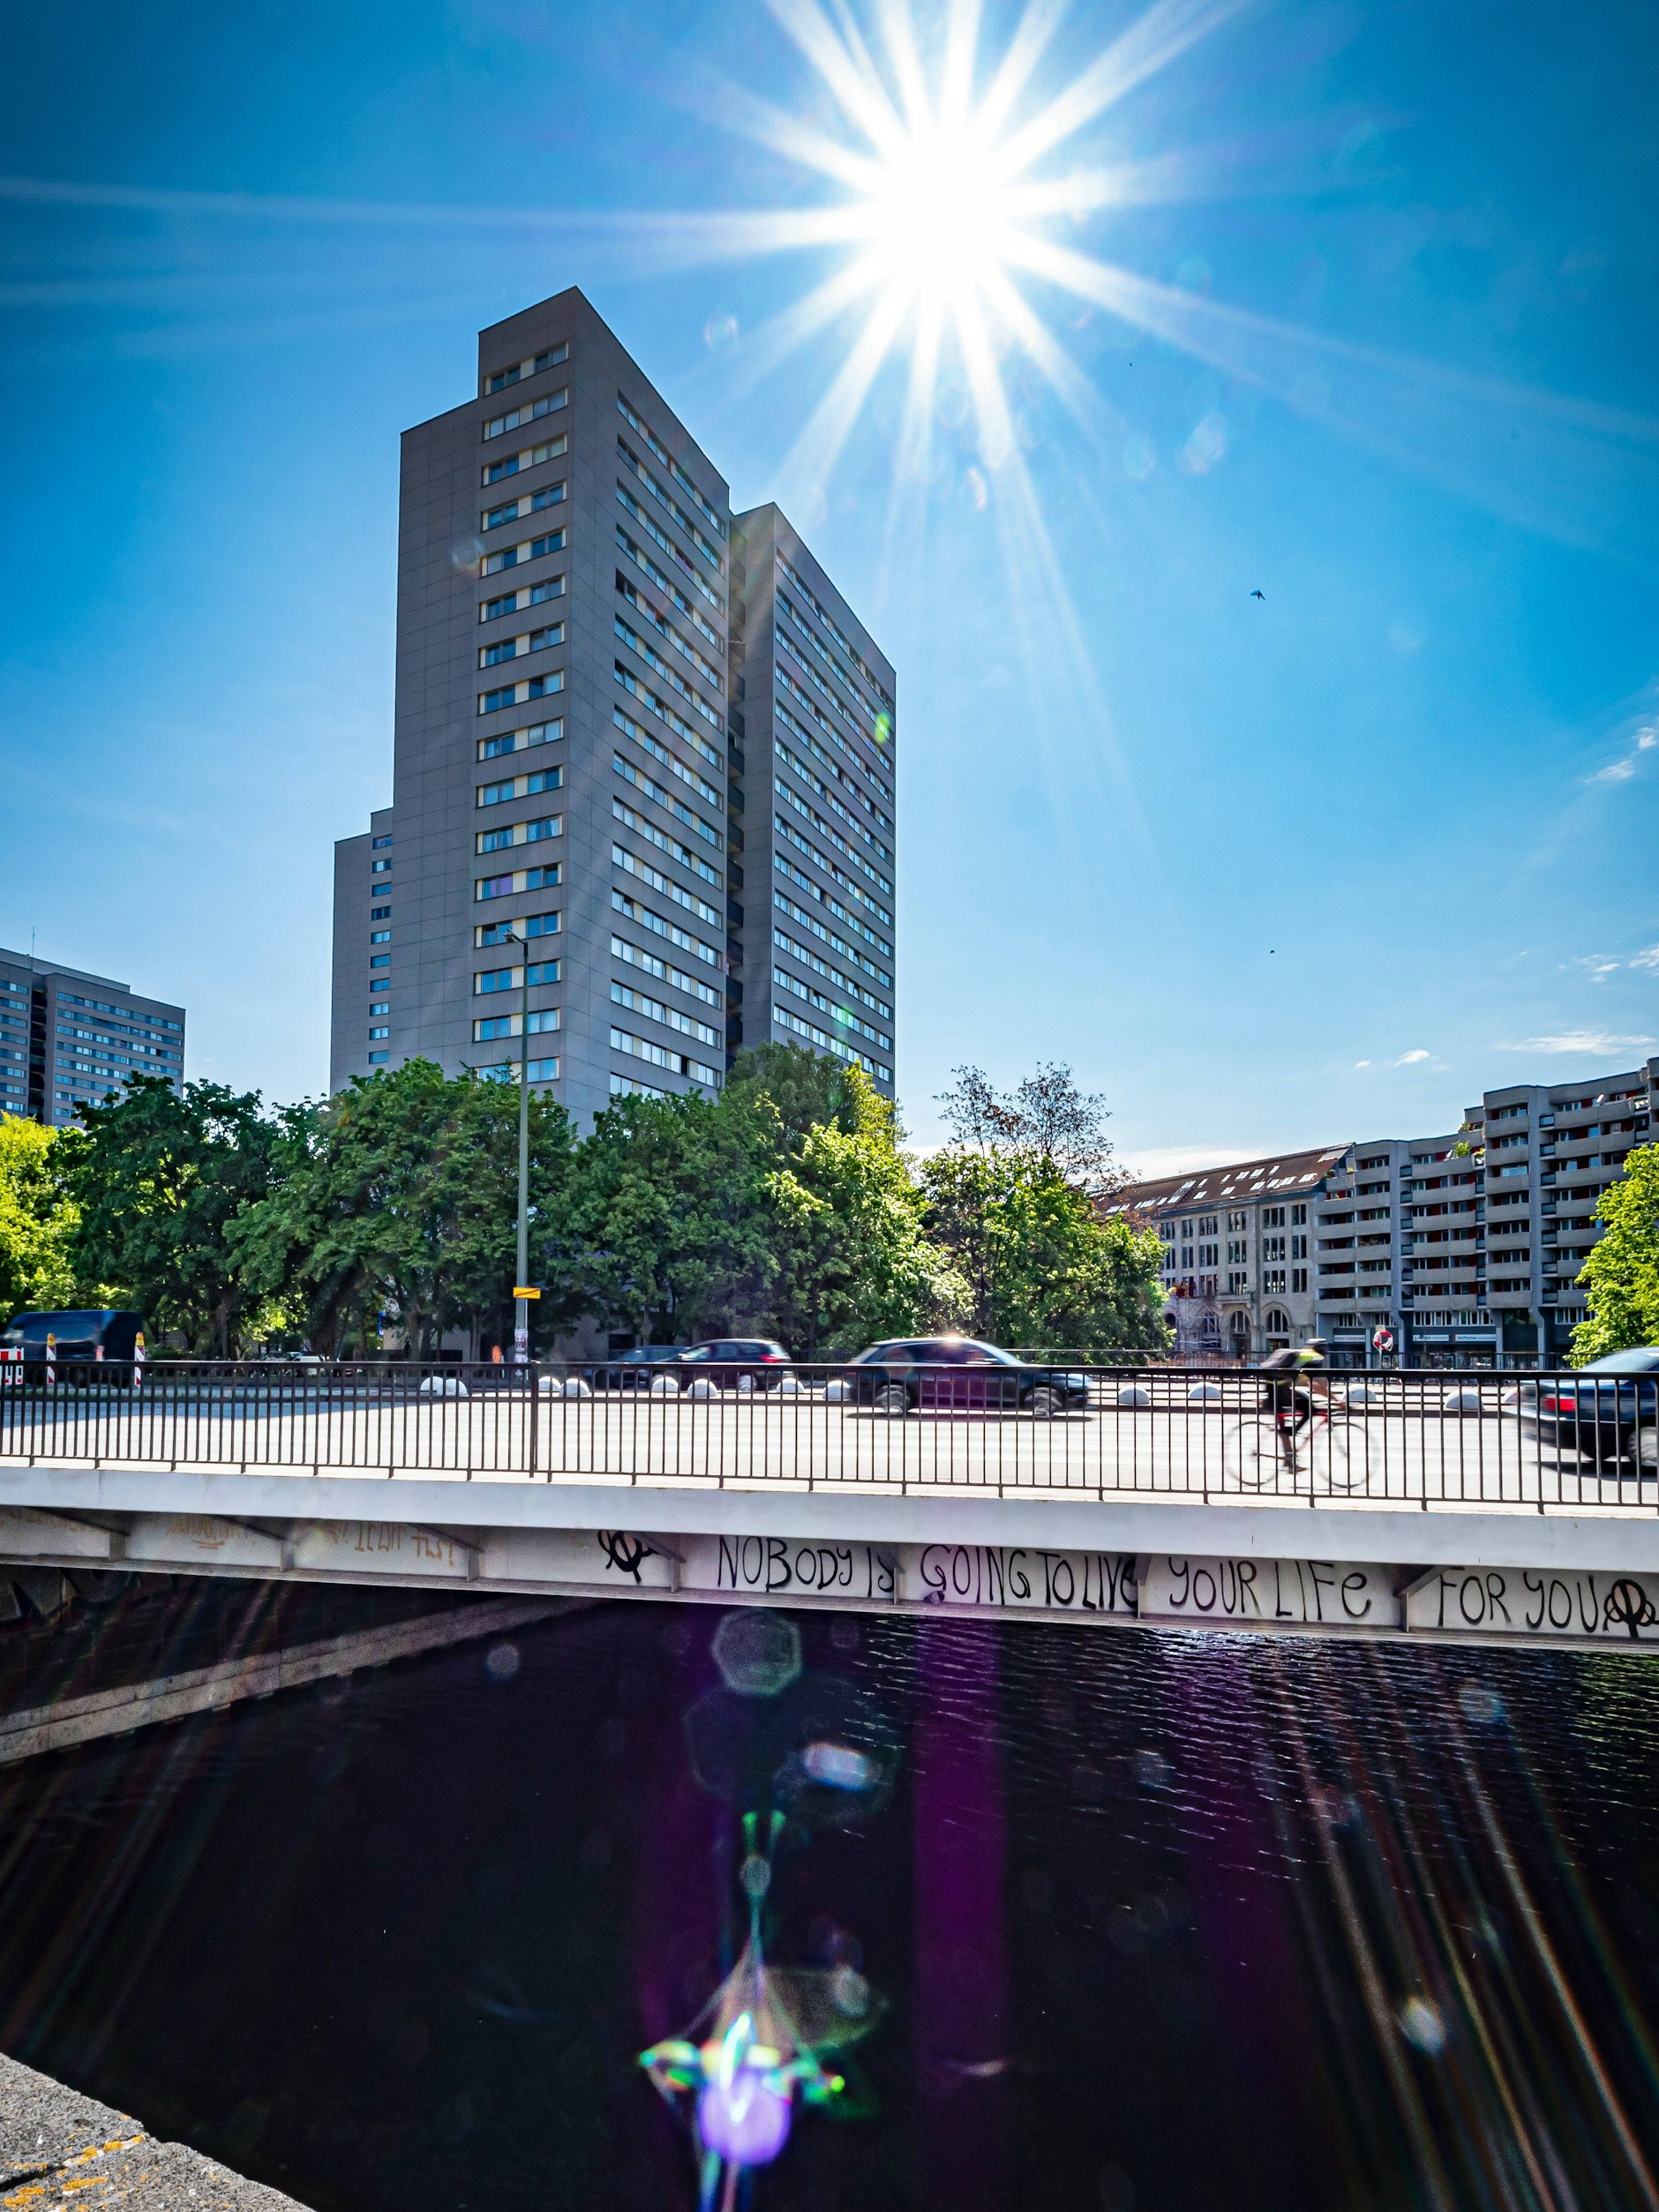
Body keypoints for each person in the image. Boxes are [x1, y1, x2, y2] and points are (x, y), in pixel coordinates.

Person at [1257, 1338, 1329, 1433]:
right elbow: (1315, 1385)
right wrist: (1338, 1401)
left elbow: (1311, 1382)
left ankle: (1288, 1433)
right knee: (1309, 1409)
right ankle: (1290, 1434)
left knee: (1285, 1418)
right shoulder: (1313, 1358)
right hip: (1279, 1387)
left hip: (1274, 1385)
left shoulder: (1302, 1355)